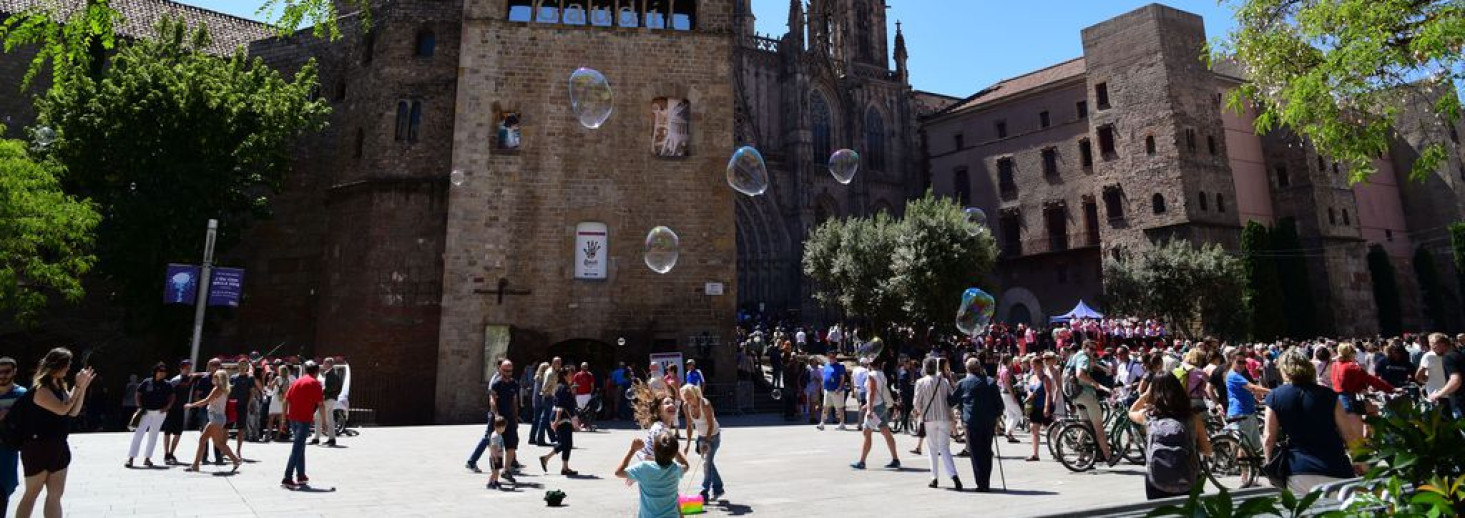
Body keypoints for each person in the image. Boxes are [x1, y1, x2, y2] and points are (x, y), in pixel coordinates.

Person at [1264, 348, 1359, 494]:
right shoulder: (1329, 395)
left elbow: (1269, 438)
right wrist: (1361, 463)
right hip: (1335, 467)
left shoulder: (1275, 397)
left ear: (1284, 371)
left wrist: (1270, 465)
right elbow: (1349, 435)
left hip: (1297, 470)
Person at [15, 348, 95, 518]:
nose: (69, 368)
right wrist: (78, 387)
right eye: (67, 364)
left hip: (58, 445)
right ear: (57, 365)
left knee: (55, 496)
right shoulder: (40, 390)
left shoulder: (59, 386)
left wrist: (82, 388)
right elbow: (61, 409)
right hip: (37, 447)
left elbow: (72, 411)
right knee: (32, 494)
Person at [1127, 372, 1202, 499]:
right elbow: (1207, 449)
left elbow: (1131, 412)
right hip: (1188, 477)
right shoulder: (1192, 417)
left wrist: (1145, 395)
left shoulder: (1149, 416)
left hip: (1156, 479)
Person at [948, 354, 1003, 492]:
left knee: (976, 453)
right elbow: (999, 404)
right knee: (986, 451)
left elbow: (951, 401)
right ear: (979, 368)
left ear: (967, 369)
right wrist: (996, 416)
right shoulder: (990, 382)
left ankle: (980, 483)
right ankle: (986, 481)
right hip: (987, 422)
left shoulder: (963, 383)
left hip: (971, 422)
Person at [912, 358, 960, 489]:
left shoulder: (921, 382)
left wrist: (919, 411)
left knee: (932, 449)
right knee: (944, 448)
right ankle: (954, 476)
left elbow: (916, 403)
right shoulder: (943, 381)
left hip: (929, 419)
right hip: (943, 418)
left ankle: (934, 478)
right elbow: (952, 398)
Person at [182, 369, 242, 473]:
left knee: (217, 443)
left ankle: (236, 460)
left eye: (215, 376)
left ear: (219, 379)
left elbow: (206, 401)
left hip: (216, 418)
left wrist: (191, 405)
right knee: (204, 440)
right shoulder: (224, 389)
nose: (213, 377)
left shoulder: (217, 389)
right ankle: (195, 465)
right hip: (218, 418)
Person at [1330, 342, 1394, 439]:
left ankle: (1368, 436)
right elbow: (1372, 380)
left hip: (1337, 401)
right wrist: (1391, 389)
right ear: (1351, 353)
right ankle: (1370, 437)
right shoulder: (1352, 367)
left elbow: (1343, 381)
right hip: (1349, 402)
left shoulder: (1335, 365)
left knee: (1373, 408)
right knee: (1357, 441)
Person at [615, 430, 685, 518]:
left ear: (654, 450)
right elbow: (685, 465)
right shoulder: (675, 468)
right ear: (674, 453)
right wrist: (674, 450)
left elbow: (618, 472)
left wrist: (632, 450)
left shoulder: (644, 468)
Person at [1068, 340, 1117, 465]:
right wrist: (1094, 384)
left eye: (1095, 349)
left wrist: (1104, 368)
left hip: (1074, 395)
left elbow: (1092, 364)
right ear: (1084, 347)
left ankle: (1080, 458)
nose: (1094, 351)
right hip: (1086, 394)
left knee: (1085, 426)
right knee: (1098, 427)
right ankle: (1108, 457)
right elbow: (1080, 374)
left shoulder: (1076, 356)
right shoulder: (1084, 357)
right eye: (1091, 349)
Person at [1226, 354, 1270, 486]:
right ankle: (1245, 476)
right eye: (1239, 362)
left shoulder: (1238, 375)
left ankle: (1250, 474)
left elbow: (1249, 390)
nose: (1242, 365)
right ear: (1232, 361)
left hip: (1248, 412)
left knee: (1252, 446)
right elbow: (1253, 388)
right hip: (1240, 413)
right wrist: (1274, 392)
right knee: (1243, 446)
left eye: (1244, 362)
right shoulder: (1233, 376)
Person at [851, 357, 900, 470]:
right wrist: (868, 405)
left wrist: (869, 408)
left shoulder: (871, 375)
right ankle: (895, 459)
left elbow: (872, 392)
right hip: (881, 406)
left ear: (870, 364)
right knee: (885, 431)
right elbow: (878, 392)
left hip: (875, 407)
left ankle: (862, 462)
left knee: (867, 432)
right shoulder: (881, 374)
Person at [281, 361, 324, 488]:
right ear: (316, 372)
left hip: (293, 418)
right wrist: (325, 422)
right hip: (304, 419)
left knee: (300, 447)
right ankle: (287, 477)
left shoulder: (296, 382)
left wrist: (284, 419)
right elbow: (321, 404)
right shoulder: (315, 383)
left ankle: (301, 475)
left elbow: (285, 400)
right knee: (297, 448)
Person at [126, 363, 174, 468]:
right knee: (138, 434)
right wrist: (139, 406)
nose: (162, 373)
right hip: (146, 412)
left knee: (153, 435)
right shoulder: (147, 382)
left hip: (159, 413)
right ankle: (131, 458)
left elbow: (172, 396)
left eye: (164, 372)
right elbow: (138, 394)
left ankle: (147, 458)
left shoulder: (167, 384)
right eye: (160, 371)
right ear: (155, 372)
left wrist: (167, 407)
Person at [681, 385, 723, 502]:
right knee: (708, 463)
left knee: (706, 463)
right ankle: (718, 488)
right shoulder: (686, 406)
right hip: (701, 436)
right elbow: (689, 425)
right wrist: (688, 444)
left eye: (689, 397)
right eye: (685, 398)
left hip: (713, 436)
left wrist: (707, 441)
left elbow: (710, 424)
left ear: (695, 394)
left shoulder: (705, 404)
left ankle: (704, 491)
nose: (687, 400)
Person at [538, 368, 578, 476]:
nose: (572, 375)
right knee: (565, 443)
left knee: (567, 443)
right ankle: (546, 458)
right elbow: (560, 405)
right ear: (564, 376)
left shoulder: (565, 387)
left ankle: (564, 467)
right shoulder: (563, 388)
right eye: (570, 374)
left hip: (565, 418)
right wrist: (556, 420)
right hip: (561, 418)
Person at [0, 357, 26, 515]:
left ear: (14, 371)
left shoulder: (22, 394)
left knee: (3, 491)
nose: (2, 375)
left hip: (7, 450)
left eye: (6, 371)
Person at [161, 359, 195, 465]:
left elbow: (201, 374)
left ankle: (171, 453)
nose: (188, 370)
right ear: (181, 368)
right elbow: (168, 395)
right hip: (171, 409)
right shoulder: (175, 380)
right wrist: (166, 407)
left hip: (181, 409)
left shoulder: (190, 378)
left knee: (178, 433)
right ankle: (166, 454)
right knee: (168, 432)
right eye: (186, 368)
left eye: (189, 368)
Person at [1024, 355, 1056, 462]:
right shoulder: (1032, 377)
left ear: (1040, 365)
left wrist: (1047, 407)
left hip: (1043, 406)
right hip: (1034, 407)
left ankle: (1057, 449)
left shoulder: (1045, 378)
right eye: (1032, 365)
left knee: (1051, 429)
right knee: (1034, 429)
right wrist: (1030, 394)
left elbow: (1048, 394)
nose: (1032, 366)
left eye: (1034, 364)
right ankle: (1035, 454)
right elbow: (1029, 389)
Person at [1424, 333, 1464, 418]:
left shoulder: (1448, 357)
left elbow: (1456, 380)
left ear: (1442, 344)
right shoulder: (1459, 354)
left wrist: (1437, 395)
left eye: (1433, 346)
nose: (1432, 349)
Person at [228, 358, 258, 458]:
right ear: (238, 365)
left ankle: (238, 450)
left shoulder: (250, 378)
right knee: (227, 427)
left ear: (247, 366)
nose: (242, 366)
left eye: (245, 364)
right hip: (232, 405)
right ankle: (224, 449)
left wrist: (248, 405)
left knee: (241, 428)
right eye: (241, 364)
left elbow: (252, 392)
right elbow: (228, 391)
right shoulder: (233, 377)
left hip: (243, 405)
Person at [312, 357, 342, 447]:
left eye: (324, 363)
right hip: (331, 398)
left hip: (328, 399)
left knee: (317, 416)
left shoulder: (331, 374)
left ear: (329, 364)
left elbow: (332, 387)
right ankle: (332, 439)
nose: (323, 364)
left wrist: (323, 391)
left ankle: (316, 438)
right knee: (330, 420)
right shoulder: (330, 374)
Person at [997, 357, 1022, 444]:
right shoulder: (1006, 371)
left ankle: (1008, 432)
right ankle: (1009, 431)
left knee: (1010, 414)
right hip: (1007, 393)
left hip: (1004, 393)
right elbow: (1007, 384)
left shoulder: (1002, 369)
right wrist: (1013, 396)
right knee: (1018, 413)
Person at [817, 357, 847, 431]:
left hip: (836, 391)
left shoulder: (840, 366)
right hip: (828, 390)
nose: (831, 358)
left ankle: (842, 423)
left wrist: (839, 388)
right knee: (825, 407)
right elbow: (824, 376)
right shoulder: (826, 365)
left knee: (839, 408)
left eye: (833, 356)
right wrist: (823, 387)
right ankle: (822, 423)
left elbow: (842, 378)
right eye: (830, 356)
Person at [266, 364, 289, 441]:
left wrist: (270, 378)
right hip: (282, 400)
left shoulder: (277, 378)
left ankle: (268, 436)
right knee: (280, 420)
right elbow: (286, 391)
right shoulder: (287, 380)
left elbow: (269, 386)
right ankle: (278, 436)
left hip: (275, 399)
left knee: (271, 419)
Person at [485, 416, 510, 490]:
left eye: (504, 427)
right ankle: (489, 483)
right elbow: (493, 447)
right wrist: (495, 457)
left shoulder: (498, 435)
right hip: (495, 457)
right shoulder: (495, 436)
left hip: (498, 456)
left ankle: (495, 481)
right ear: (497, 427)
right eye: (503, 427)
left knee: (497, 471)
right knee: (494, 472)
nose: (504, 429)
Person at [572, 363, 595, 429]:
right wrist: (575, 394)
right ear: (581, 367)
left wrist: (589, 393)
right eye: (584, 366)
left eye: (586, 366)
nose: (585, 367)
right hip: (581, 395)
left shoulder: (589, 375)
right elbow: (575, 385)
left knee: (585, 410)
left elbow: (592, 385)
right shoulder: (577, 375)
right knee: (581, 410)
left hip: (585, 395)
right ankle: (581, 424)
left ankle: (585, 424)